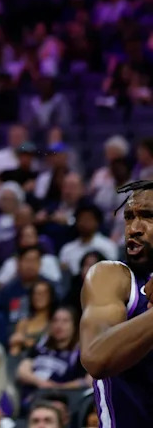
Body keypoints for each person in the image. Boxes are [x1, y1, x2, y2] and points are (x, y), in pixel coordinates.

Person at [81, 180, 153, 427]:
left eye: (148, 216)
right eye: (129, 217)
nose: (134, 229)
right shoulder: (111, 276)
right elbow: (96, 358)